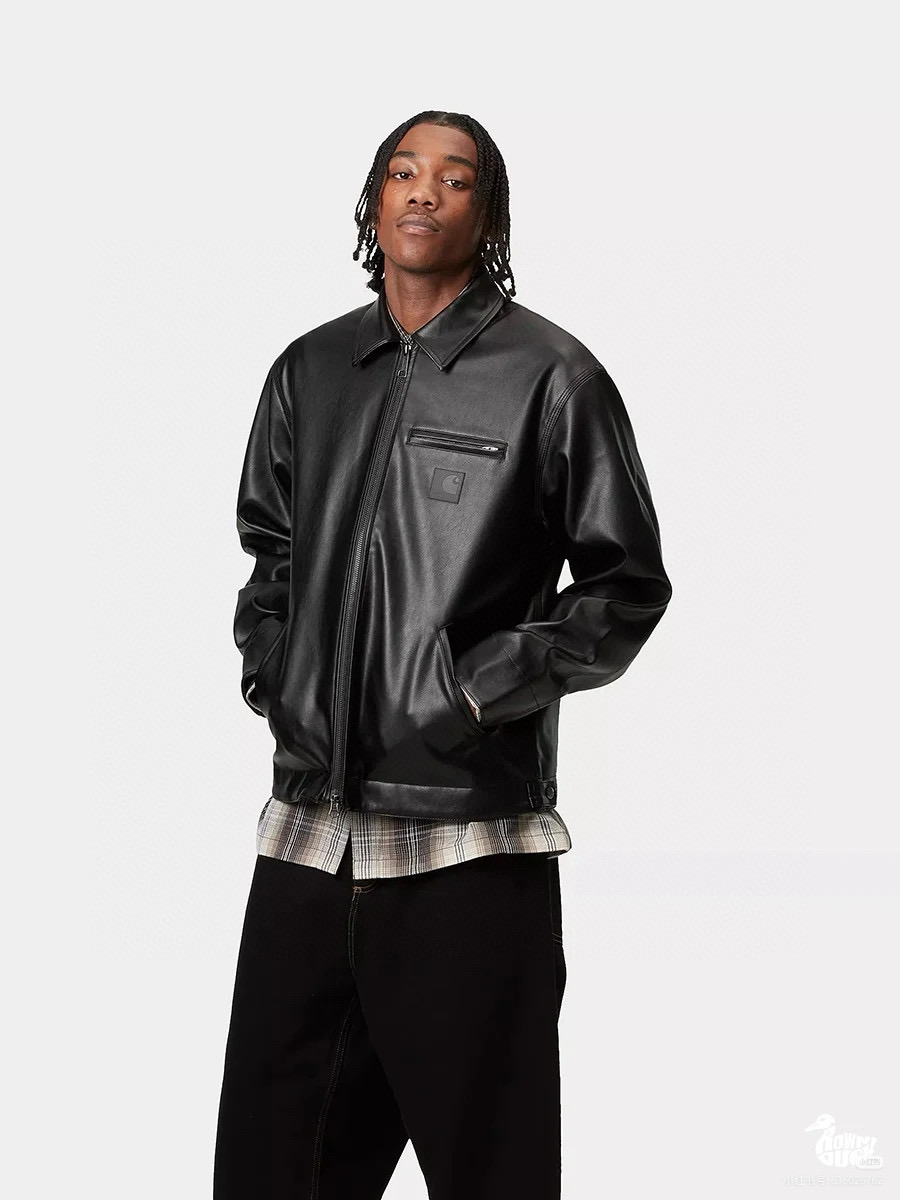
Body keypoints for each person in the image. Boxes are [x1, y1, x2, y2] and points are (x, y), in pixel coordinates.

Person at [213, 109, 672, 1200]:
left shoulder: (551, 376)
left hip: (467, 849)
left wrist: (472, 691)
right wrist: (279, 674)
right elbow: (270, 552)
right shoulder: (310, 370)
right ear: (374, 200)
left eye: (455, 179)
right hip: (309, 842)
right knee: (270, 1168)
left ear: (488, 213)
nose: (425, 191)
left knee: (489, 1171)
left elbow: (625, 586)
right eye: (403, 171)